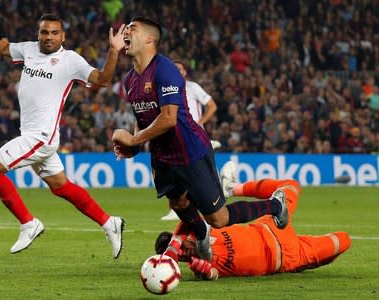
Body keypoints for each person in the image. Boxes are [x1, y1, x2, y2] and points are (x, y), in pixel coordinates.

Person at [112, 16, 288, 261]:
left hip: (191, 152)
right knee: (177, 202)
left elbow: (169, 118)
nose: (126, 32)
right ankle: (201, 234)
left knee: (219, 218)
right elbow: (142, 119)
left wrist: (133, 140)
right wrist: (134, 146)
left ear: (150, 38)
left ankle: (275, 205)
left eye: (133, 28)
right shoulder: (130, 80)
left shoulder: (165, 69)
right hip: (163, 157)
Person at [0, 0, 126, 258]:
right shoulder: (28, 50)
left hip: (41, 137)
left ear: (63, 36)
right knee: (60, 186)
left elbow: (103, 80)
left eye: (54, 33)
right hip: (32, 135)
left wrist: (114, 50)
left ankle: (28, 223)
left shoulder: (70, 60)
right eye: (44, 32)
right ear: (38, 33)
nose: (48, 37)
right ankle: (108, 222)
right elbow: (3, 47)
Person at [155, 162, 351, 279]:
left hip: (270, 225)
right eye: (179, 257)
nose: (183, 253)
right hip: (288, 258)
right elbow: (213, 275)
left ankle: (232, 188)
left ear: (179, 240)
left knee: (291, 185)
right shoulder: (198, 265)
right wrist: (206, 272)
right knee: (343, 241)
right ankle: (305, 262)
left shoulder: (195, 230)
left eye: (179, 248)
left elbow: (186, 217)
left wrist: (174, 244)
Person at [160, 60, 221, 221]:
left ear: (185, 72)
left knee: (193, 173)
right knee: (174, 171)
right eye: (174, 69)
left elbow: (212, 106)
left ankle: (211, 200)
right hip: (174, 135)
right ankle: (175, 210)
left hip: (193, 137)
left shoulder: (192, 87)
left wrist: (200, 123)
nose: (177, 72)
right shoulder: (166, 89)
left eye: (180, 69)